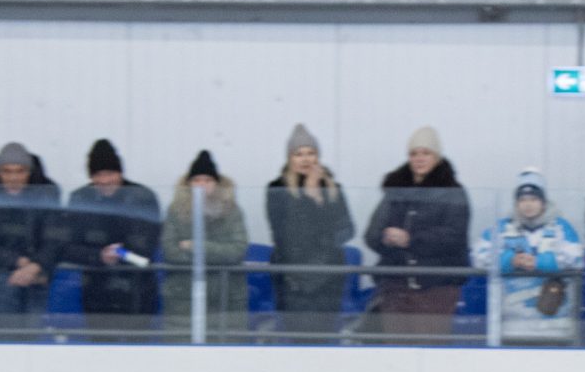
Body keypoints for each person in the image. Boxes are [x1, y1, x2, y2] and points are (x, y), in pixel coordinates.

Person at [364, 127, 471, 338]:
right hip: (396, 287)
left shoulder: (454, 193)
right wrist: (386, 238)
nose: (419, 158)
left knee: (431, 351)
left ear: (437, 156)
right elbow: (371, 235)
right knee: (397, 352)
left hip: (437, 288)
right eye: (414, 153)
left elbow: (454, 236)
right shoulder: (395, 191)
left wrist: (411, 240)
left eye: (426, 153)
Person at [57, 139, 161, 334]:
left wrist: (121, 254)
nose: (104, 180)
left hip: (137, 290)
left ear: (120, 173)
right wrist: (98, 256)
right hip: (97, 291)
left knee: (138, 352)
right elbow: (66, 246)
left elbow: (148, 243)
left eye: (109, 173)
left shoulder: (143, 197)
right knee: (101, 352)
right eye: (98, 174)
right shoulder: (80, 199)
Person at [266, 124, 356, 339]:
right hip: (293, 283)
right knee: (298, 344)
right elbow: (285, 236)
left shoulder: (333, 189)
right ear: (290, 158)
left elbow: (346, 231)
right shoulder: (277, 190)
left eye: (310, 153)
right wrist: (309, 198)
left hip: (328, 280)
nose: (305, 159)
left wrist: (318, 200)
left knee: (323, 343)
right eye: (299, 154)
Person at [473, 168, 584, 343]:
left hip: (555, 328)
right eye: (523, 199)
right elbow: (478, 257)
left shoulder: (561, 227)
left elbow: (577, 258)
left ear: (543, 202)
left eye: (533, 199)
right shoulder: (502, 228)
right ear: (516, 203)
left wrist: (539, 263)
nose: (528, 204)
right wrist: (510, 261)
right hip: (511, 328)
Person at [0, 142, 61, 335]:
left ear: (30, 171)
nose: (13, 178)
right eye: (6, 171)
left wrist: (36, 266)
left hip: (39, 274)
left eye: (20, 171)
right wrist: (19, 262)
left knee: (34, 336)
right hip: (3, 272)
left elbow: (56, 237)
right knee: (6, 338)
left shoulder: (47, 191)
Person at [162, 151, 250, 340]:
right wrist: (217, 252)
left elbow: (237, 250)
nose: (201, 185)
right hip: (183, 300)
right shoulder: (175, 210)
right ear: (189, 184)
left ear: (216, 184)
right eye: (197, 180)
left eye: (207, 180)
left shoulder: (232, 210)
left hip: (226, 300)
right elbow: (170, 250)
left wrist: (197, 247)